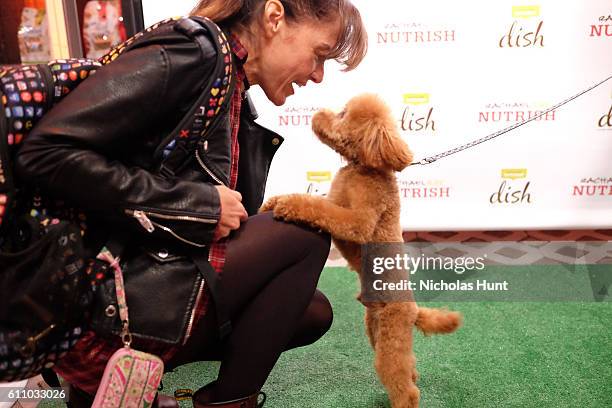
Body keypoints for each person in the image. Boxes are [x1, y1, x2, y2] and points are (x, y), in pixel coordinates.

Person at [15, 0, 367, 407]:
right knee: (307, 229)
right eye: (319, 55)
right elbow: (46, 151)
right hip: (91, 308)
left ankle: (105, 390)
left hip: (130, 285)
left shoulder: (230, 85)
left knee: (310, 312)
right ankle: (228, 402)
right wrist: (198, 205)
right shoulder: (193, 54)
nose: (318, 76)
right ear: (274, 18)